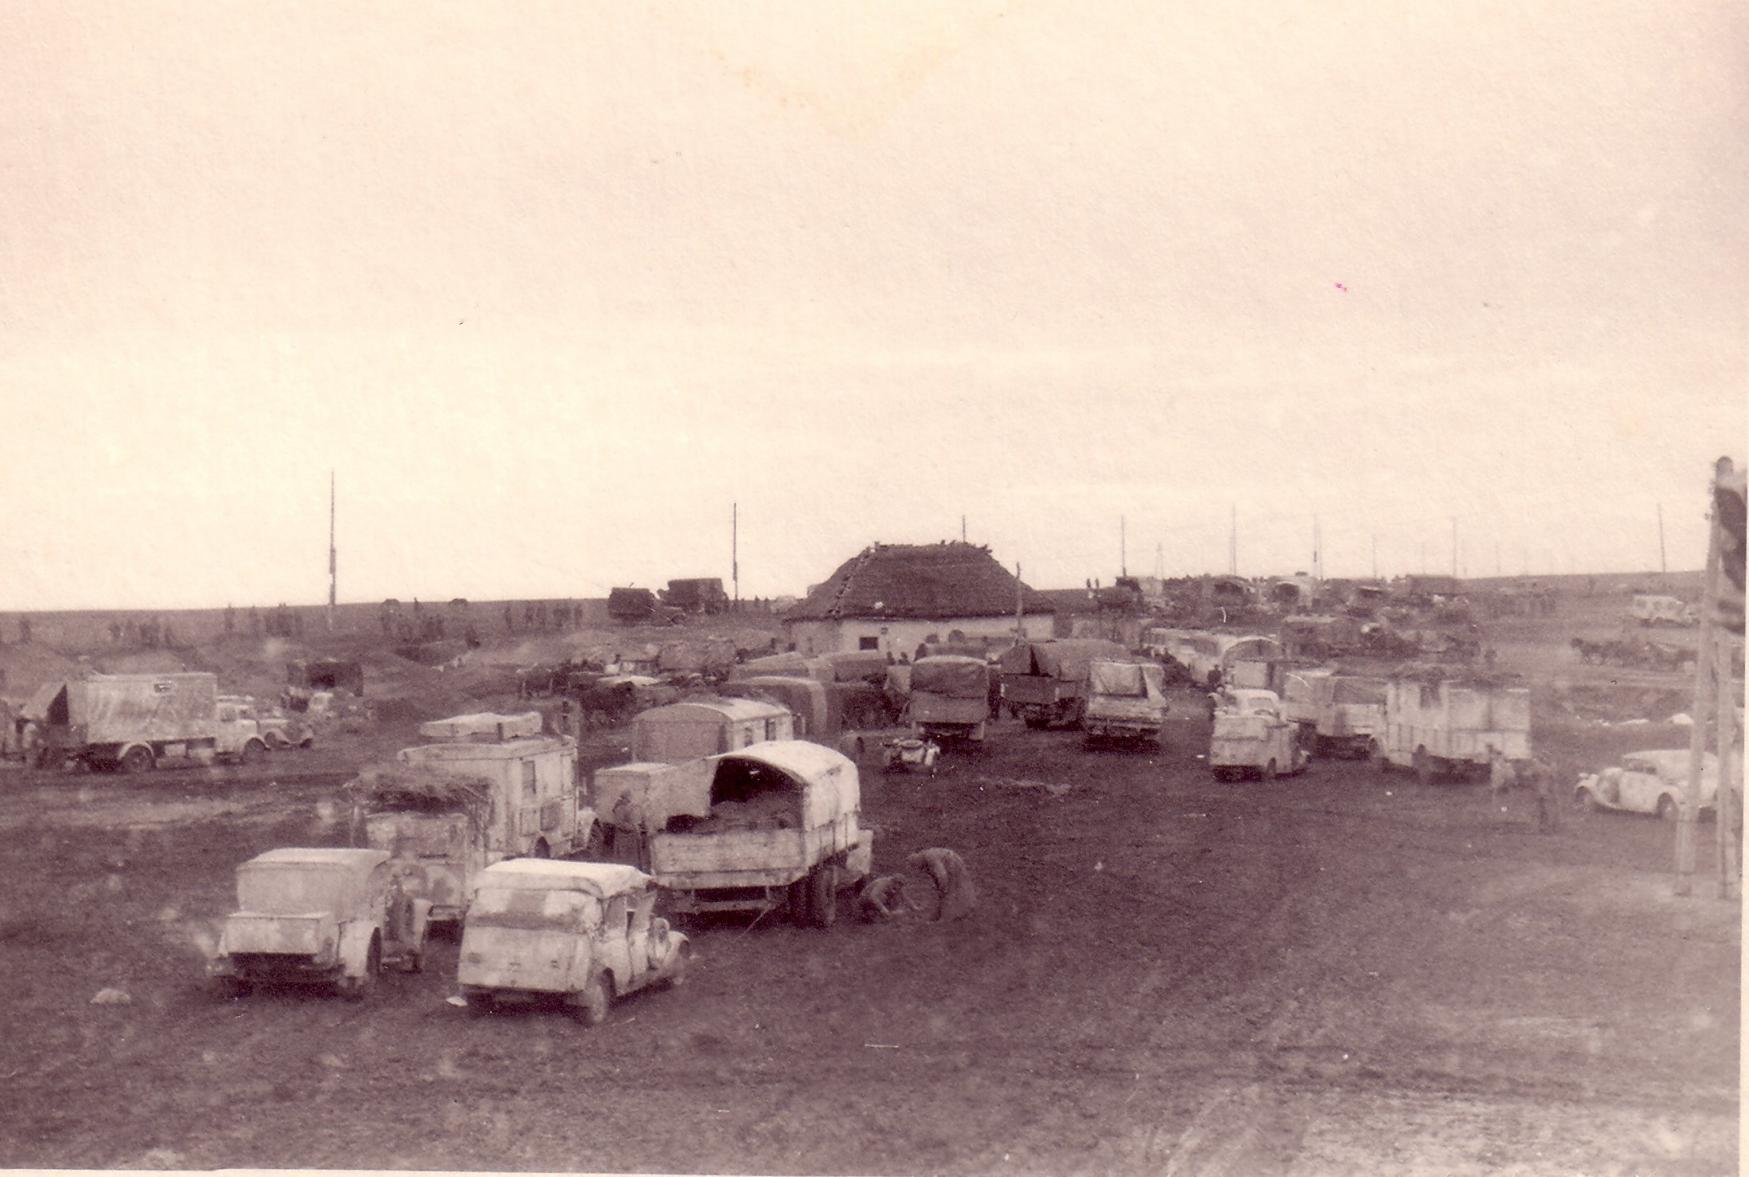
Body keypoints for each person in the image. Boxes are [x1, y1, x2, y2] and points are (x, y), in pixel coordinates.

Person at [906, 847, 976, 921]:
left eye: (915, 864)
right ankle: (942, 915)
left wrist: (943, 887)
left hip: (952, 863)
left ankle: (955, 915)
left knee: (953, 891)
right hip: (951, 862)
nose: (918, 868)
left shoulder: (929, 856)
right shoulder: (926, 862)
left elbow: (941, 874)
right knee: (948, 892)